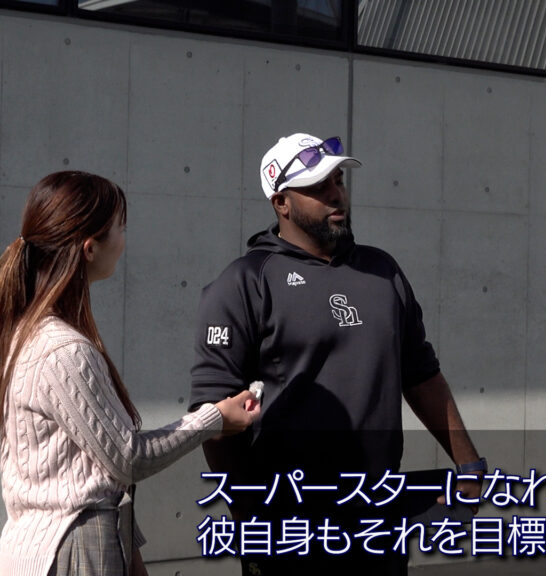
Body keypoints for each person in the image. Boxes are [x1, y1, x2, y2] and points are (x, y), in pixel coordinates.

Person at [189, 133, 485, 575]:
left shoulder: (382, 271)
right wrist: (250, 518)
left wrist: (470, 463)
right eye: (318, 186)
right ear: (281, 202)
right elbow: (214, 417)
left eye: (338, 181)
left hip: (378, 521)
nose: (335, 194)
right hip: (289, 528)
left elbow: (422, 376)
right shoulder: (245, 282)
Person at [0, 171, 259, 576]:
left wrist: (128, 546)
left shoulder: (22, 334)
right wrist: (214, 418)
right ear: (90, 248)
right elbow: (128, 458)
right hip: (73, 547)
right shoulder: (63, 349)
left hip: (37, 545)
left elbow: (88, 466)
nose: (124, 241)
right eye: (120, 228)